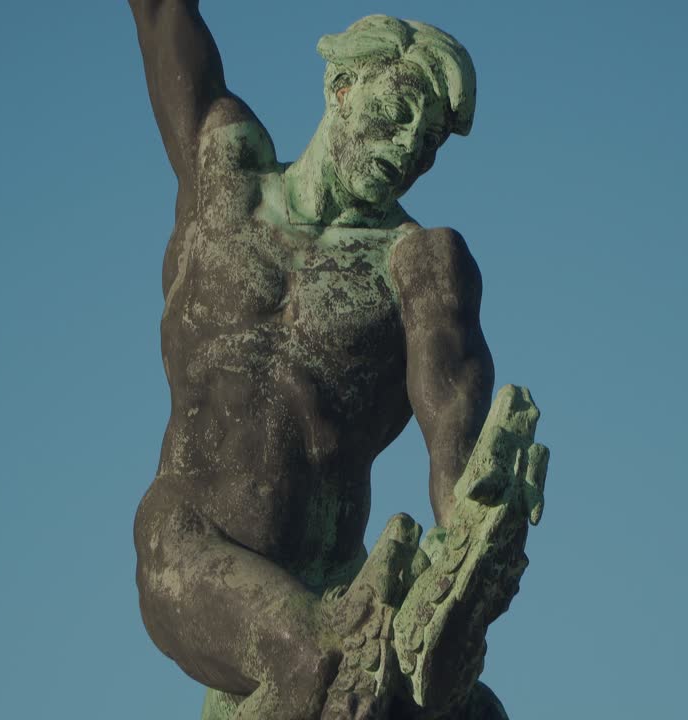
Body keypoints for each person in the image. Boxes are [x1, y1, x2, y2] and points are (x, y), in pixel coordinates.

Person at [128, 4, 548, 718]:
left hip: (337, 581)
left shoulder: (421, 264)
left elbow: (450, 418)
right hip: (192, 544)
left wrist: (468, 537)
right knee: (317, 654)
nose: (413, 145)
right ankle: (343, 663)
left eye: (433, 139)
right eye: (400, 110)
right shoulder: (223, 172)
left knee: (476, 714)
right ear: (342, 86)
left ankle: (391, 648)